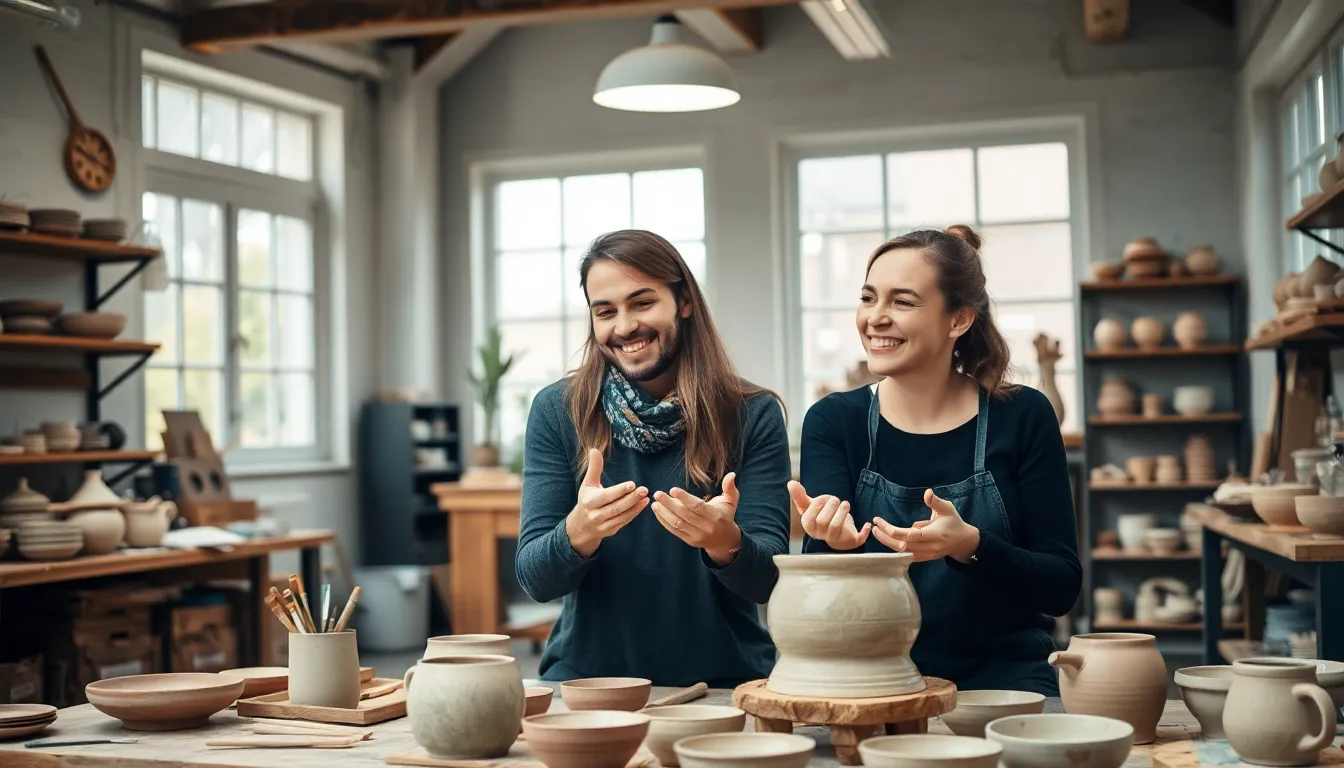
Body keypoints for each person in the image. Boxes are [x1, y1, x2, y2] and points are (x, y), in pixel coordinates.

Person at [791, 225, 1081, 696]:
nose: (875, 318)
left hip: (1004, 680)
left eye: (902, 302)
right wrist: (833, 546)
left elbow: (1061, 586)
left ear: (959, 319)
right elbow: (823, 604)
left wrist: (970, 544)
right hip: (869, 681)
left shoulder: (1022, 416)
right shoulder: (833, 422)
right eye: (868, 299)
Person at [515, 229, 792, 688]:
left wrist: (727, 543)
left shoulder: (752, 414)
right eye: (605, 312)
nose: (623, 327)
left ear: (683, 301)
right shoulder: (558, 409)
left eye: (642, 303)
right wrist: (578, 531)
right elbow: (536, 580)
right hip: (587, 684)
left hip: (727, 684)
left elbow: (769, 583)